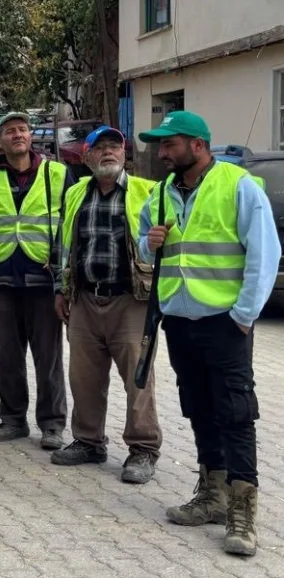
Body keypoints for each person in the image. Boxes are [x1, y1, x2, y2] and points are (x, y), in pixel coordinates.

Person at [138, 110, 278, 557]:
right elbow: (144, 241)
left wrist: (243, 315)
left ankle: (242, 509)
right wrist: (149, 243)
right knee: (199, 407)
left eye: (169, 144)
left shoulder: (237, 186)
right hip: (179, 319)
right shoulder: (161, 192)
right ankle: (211, 494)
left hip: (224, 322)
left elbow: (264, 254)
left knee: (235, 413)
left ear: (197, 145)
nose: (161, 152)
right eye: (159, 145)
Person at [51, 126, 161, 484]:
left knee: (138, 378)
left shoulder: (148, 192)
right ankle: (88, 441)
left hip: (131, 300)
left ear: (125, 155)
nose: (108, 153)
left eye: (115, 146)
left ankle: (143, 449)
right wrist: (61, 290)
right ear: (86, 158)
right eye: (100, 148)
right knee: (83, 378)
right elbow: (63, 246)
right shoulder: (75, 194)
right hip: (85, 298)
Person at [0, 111, 73, 450]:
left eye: (23, 129)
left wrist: (63, 277)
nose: (18, 135)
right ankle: (12, 419)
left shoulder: (57, 173)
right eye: (10, 131)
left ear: (31, 136)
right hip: (2, 281)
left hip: (43, 281)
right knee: (8, 356)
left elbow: (71, 227)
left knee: (48, 356)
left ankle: (53, 425)